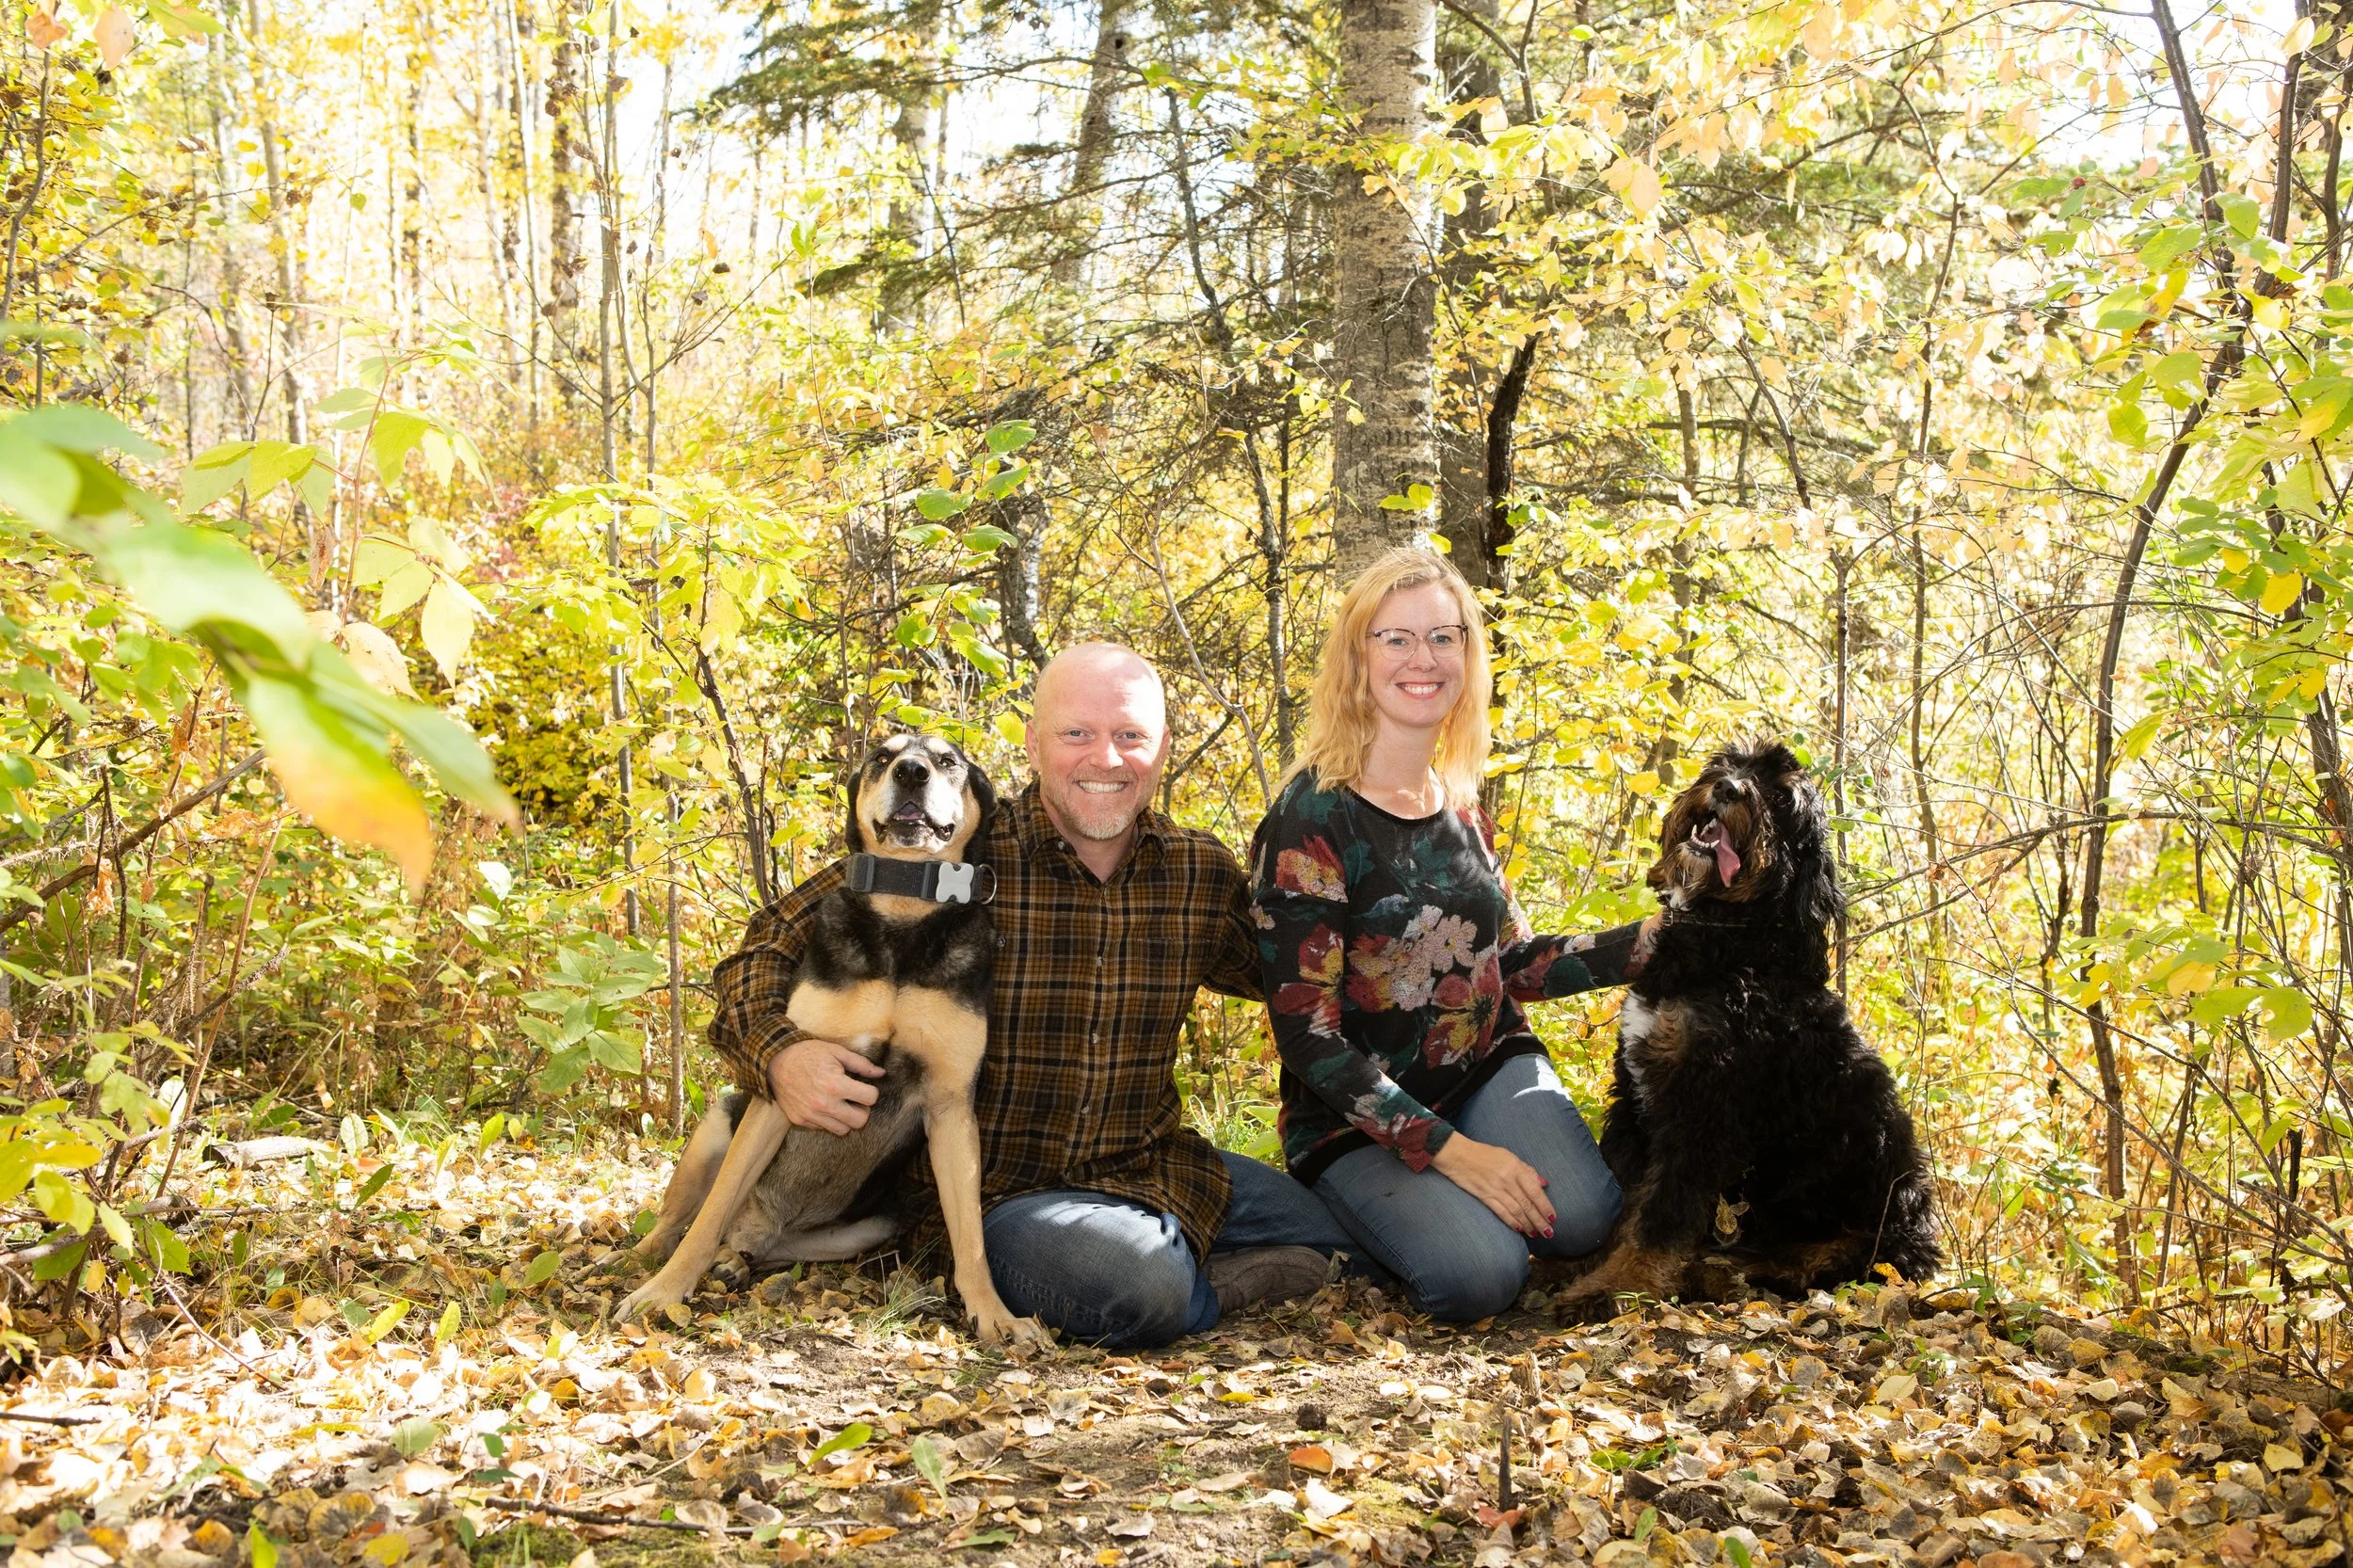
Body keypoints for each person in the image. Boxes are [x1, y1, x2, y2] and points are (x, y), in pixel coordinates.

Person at [711, 644, 1355, 1347]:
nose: (1104, 759)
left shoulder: (1195, 873)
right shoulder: (961, 850)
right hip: (1003, 1197)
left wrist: (1384, 923)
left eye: (1130, 736)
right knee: (1140, 1288)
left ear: (1163, 746)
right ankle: (1190, 1280)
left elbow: (1292, 977)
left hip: (1147, 1163)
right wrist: (777, 1055)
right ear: (1034, 744)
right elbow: (765, 948)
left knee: (1343, 1234)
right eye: (1077, 733)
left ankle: (1175, 1254)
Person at [1250, 547, 1658, 1321]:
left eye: (1444, 636)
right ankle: (1341, 1226)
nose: (1423, 659)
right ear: (1356, 657)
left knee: (1583, 1219)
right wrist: (1453, 1155)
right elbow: (1309, 1041)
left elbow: (1512, 966)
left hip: (1483, 1070)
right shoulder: (1311, 819)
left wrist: (1659, 940)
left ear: (1469, 655)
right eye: (1395, 639)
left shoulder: (1460, 802)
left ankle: (1446, 1201)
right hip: (1356, 1120)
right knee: (1481, 1276)